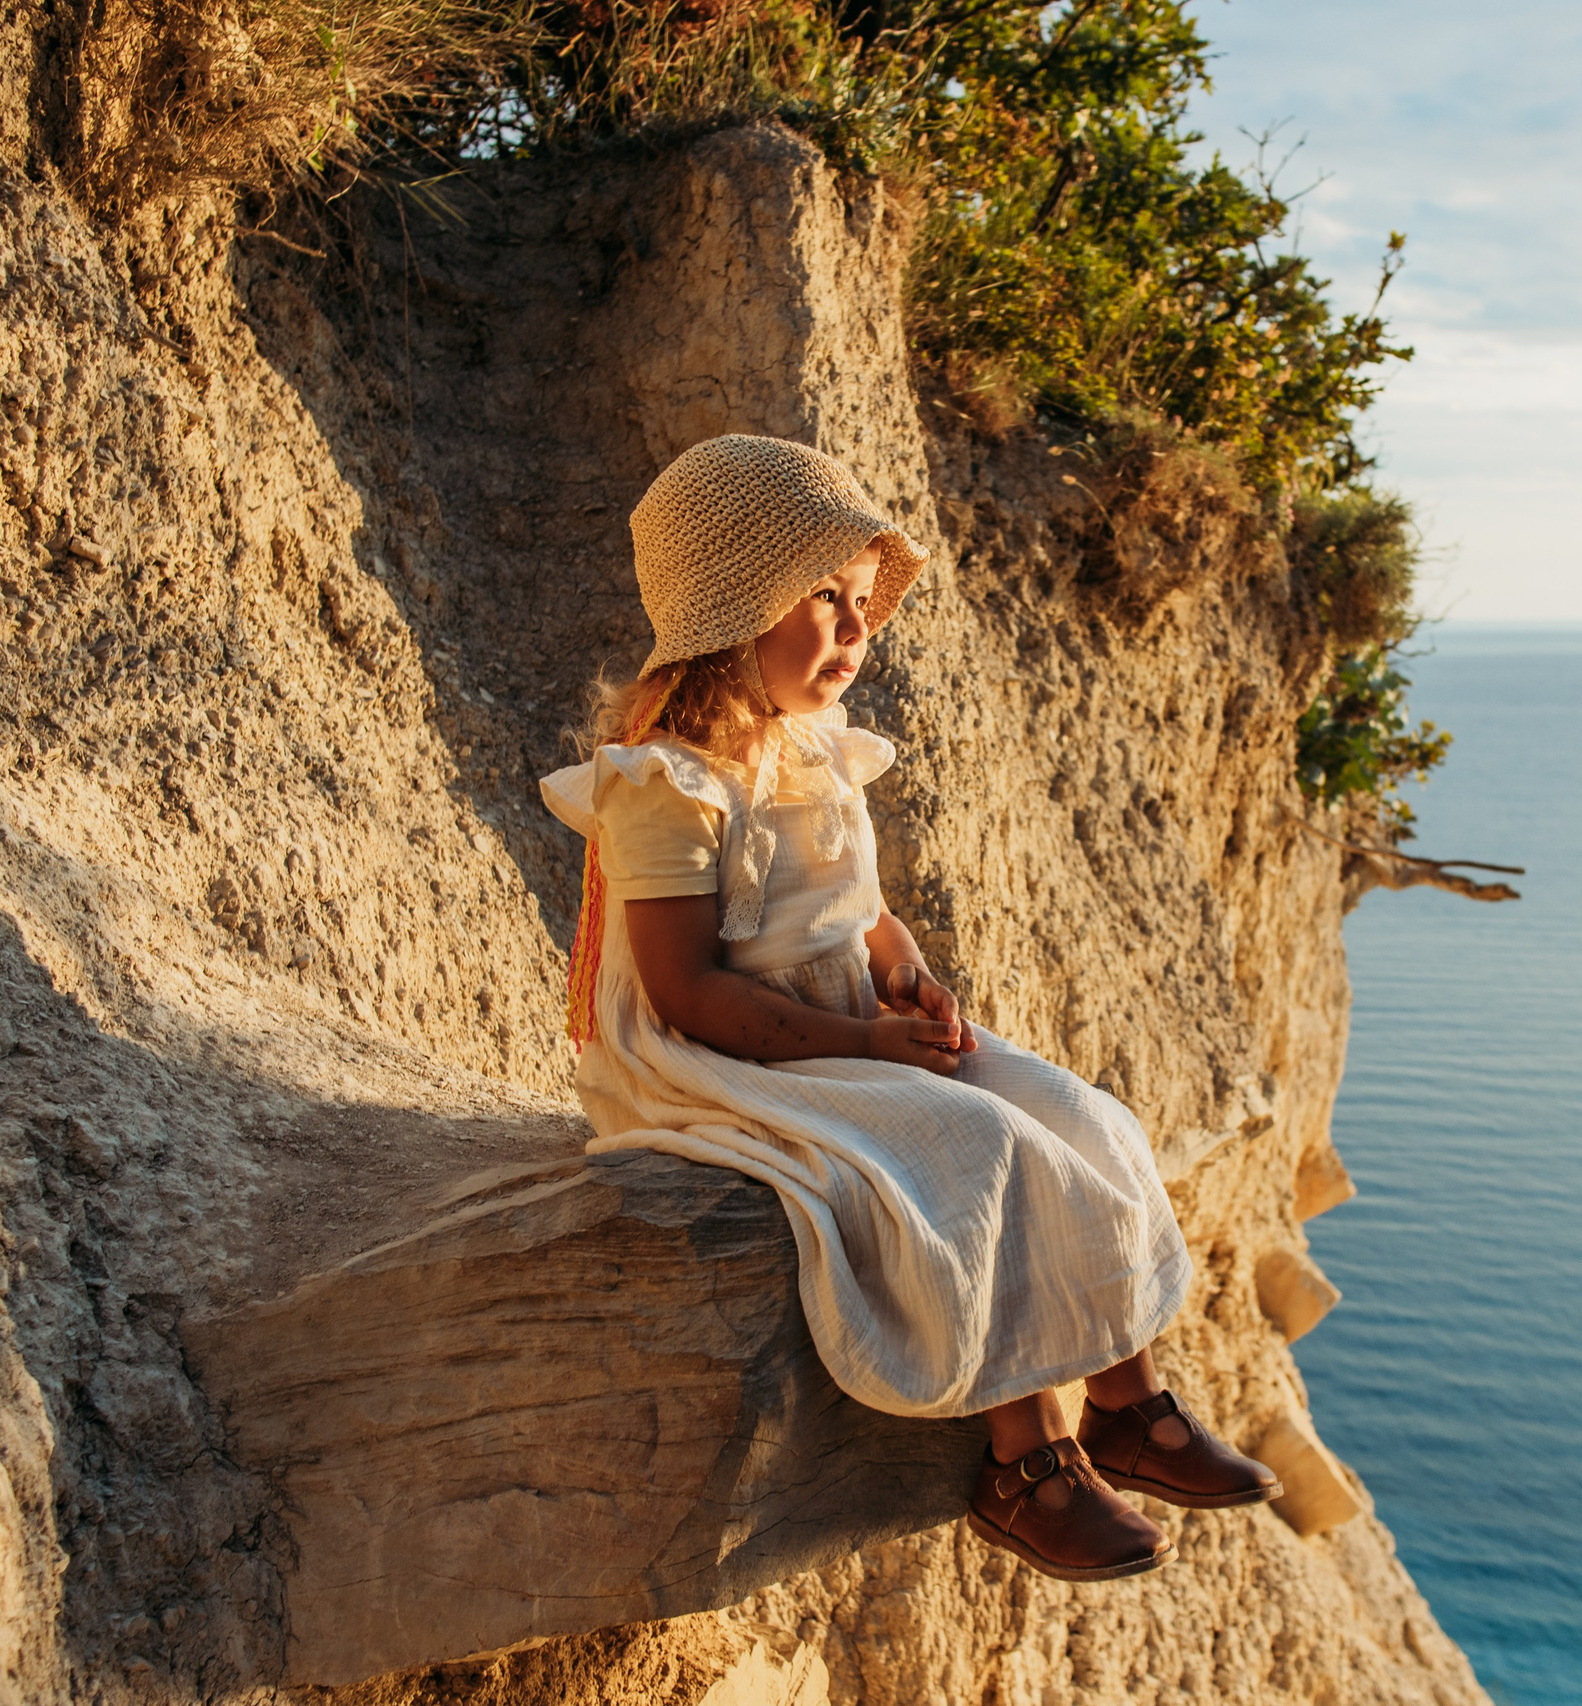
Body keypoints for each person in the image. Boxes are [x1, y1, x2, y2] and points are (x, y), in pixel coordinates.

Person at [537, 434, 1281, 1582]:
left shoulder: (813, 745)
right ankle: (1022, 1455)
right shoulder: (669, 786)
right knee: (975, 1145)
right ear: (729, 610)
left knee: (1077, 1114)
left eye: (859, 597)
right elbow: (685, 993)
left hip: (843, 1021)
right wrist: (865, 1043)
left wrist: (902, 972)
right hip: (721, 1053)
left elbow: (859, 906)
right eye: (819, 598)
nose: (856, 625)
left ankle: (1125, 1398)